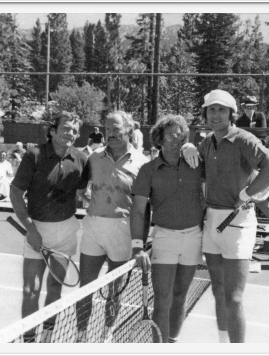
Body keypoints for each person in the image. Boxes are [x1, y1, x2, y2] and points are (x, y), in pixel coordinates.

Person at [181, 89, 269, 343]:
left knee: (234, 298)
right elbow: (197, 171)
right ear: (205, 114)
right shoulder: (206, 142)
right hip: (211, 221)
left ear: (231, 114)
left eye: (221, 110)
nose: (216, 114)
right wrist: (188, 145)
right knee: (218, 290)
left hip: (238, 223)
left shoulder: (245, 139)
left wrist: (247, 194)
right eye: (211, 110)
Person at [10, 111, 87, 342]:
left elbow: (82, 193)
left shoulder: (82, 159)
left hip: (66, 232)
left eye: (74, 130)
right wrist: (31, 229)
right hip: (36, 230)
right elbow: (15, 193)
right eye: (65, 128)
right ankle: (29, 341)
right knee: (29, 290)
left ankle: (46, 339)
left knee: (54, 288)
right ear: (52, 130)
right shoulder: (33, 155)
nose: (69, 133)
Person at [76, 110, 149, 343]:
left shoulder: (142, 162)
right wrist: (95, 203)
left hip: (123, 230)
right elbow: (80, 190)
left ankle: (107, 334)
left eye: (116, 129)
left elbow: (145, 205)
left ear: (128, 130)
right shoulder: (94, 157)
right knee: (85, 286)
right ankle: (80, 335)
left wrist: (140, 239)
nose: (111, 134)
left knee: (115, 290)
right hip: (93, 227)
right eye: (107, 129)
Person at [131, 115, 205, 343]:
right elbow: (138, 211)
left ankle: (171, 342)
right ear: (159, 139)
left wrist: (194, 146)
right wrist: (137, 247)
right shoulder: (148, 170)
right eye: (170, 134)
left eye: (180, 134)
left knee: (181, 296)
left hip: (194, 237)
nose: (176, 138)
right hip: (164, 238)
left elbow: (217, 145)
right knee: (162, 301)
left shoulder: (197, 163)